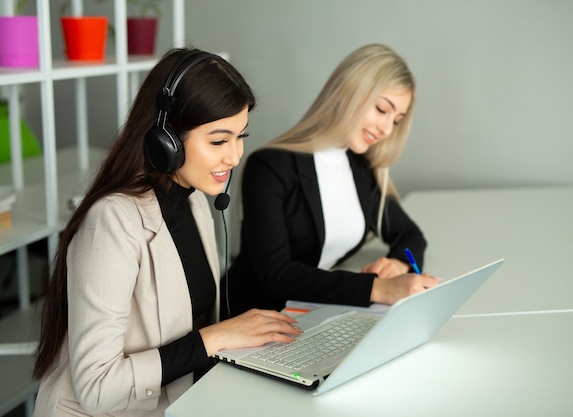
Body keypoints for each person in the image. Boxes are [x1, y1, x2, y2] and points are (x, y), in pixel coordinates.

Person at [31, 48, 302, 417]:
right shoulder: (112, 222)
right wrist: (216, 338)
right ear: (166, 140)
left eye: (240, 136)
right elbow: (98, 389)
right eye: (219, 141)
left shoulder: (193, 201)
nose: (235, 156)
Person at [224, 44, 439, 318]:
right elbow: (276, 275)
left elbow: (410, 235)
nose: (387, 129)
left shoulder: (360, 168)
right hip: (256, 318)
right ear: (349, 93)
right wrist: (379, 289)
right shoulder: (269, 167)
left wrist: (397, 264)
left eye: (396, 121)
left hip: (315, 313)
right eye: (382, 109)